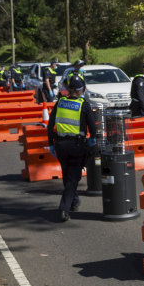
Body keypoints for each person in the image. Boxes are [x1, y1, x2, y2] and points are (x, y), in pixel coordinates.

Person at [47, 75, 97, 222]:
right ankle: (64, 209)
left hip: (60, 146)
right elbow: (92, 127)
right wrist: (93, 139)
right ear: (82, 90)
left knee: (67, 174)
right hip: (76, 146)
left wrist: (51, 143)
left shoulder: (60, 102)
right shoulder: (84, 104)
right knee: (73, 179)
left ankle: (74, 200)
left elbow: (50, 125)